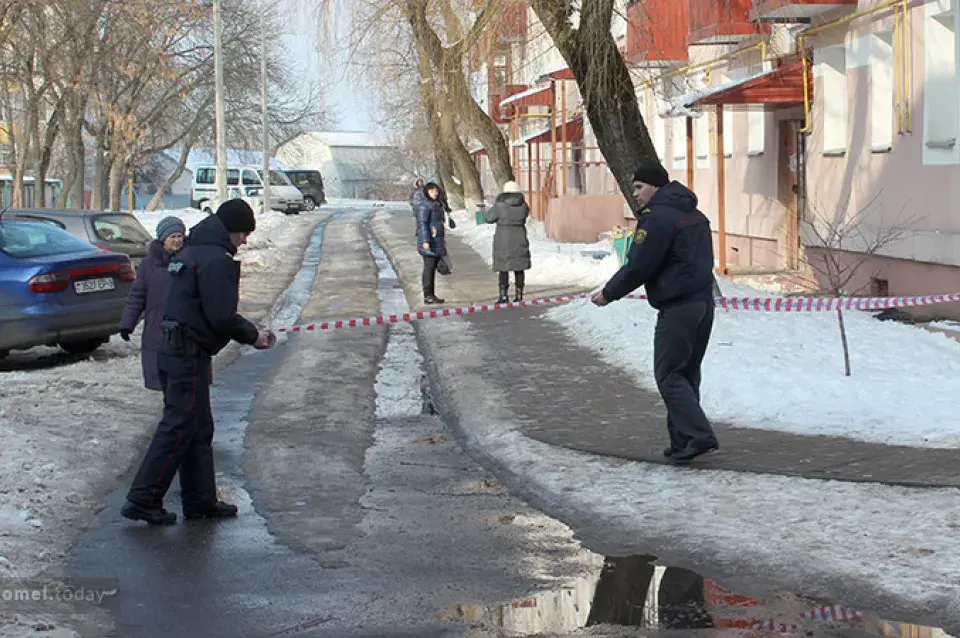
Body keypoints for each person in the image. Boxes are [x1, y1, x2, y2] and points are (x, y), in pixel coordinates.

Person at [121, 199, 275, 525]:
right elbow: (221, 316)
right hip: (186, 354)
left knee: (197, 427)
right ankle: (143, 498)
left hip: (176, 348)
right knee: (178, 426)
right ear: (231, 230)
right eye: (244, 233)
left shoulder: (191, 250)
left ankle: (200, 500)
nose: (245, 240)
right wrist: (253, 335)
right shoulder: (214, 259)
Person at [590, 162, 719, 463]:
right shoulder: (695, 215)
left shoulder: (658, 219)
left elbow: (640, 265)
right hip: (702, 303)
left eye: (639, 187)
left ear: (656, 186)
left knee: (668, 375)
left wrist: (608, 293)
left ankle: (699, 436)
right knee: (686, 374)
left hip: (678, 307)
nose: (634, 194)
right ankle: (683, 440)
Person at [119, 216, 186, 391]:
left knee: (183, 383)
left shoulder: (189, 261)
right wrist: (127, 324)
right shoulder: (150, 263)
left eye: (180, 236)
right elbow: (137, 296)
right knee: (162, 381)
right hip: (156, 329)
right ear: (163, 239)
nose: (177, 240)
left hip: (184, 330)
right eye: (173, 236)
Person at [485, 180, 531, 303]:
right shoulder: (524, 205)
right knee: (519, 266)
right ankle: (519, 295)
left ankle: (503, 295)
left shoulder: (500, 204)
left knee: (503, 266)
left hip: (503, 238)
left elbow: (489, 218)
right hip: (520, 235)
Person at [415, 181, 449, 305]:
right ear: (426, 192)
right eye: (431, 191)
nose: (434, 193)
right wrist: (425, 240)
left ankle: (431, 294)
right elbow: (422, 224)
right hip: (429, 240)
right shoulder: (424, 206)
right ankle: (428, 295)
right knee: (429, 268)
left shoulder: (437, 204)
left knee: (433, 267)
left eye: (436, 191)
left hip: (437, 239)